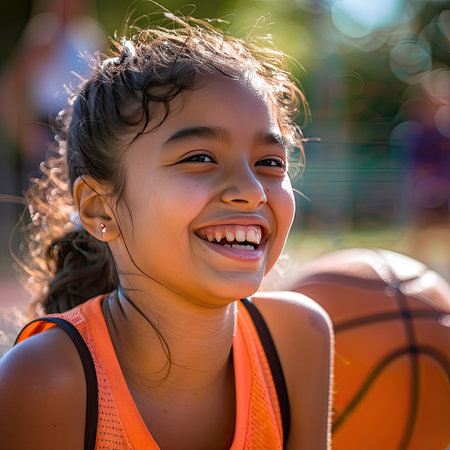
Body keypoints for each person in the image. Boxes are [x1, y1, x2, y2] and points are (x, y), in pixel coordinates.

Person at [0, 12, 333, 450]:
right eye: (199, 157)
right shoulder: (44, 381)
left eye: (270, 163)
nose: (252, 192)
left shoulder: (297, 340)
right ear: (101, 208)